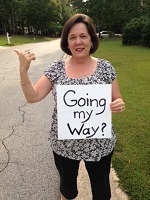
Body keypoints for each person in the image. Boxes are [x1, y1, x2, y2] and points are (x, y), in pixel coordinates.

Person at [14, 13, 125, 200]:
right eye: (72, 37)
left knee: (102, 192)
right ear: (66, 42)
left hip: (99, 145)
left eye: (83, 36)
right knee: (68, 191)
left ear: (91, 40)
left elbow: (117, 97)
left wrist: (119, 104)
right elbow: (33, 97)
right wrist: (23, 72)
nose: (78, 41)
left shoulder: (106, 68)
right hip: (64, 147)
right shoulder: (56, 69)